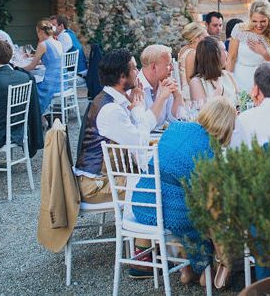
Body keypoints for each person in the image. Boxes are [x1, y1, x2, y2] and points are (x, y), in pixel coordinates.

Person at [132, 97, 237, 285]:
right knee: (205, 216)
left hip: (143, 202)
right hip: (169, 211)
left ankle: (187, 269)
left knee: (186, 202)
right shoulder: (210, 150)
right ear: (226, 126)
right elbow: (209, 200)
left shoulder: (175, 128)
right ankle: (207, 270)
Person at [75, 48, 162, 203]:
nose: (138, 71)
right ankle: (147, 225)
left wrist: (133, 104)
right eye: (134, 68)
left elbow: (138, 134)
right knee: (160, 184)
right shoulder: (111, 110)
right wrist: (138, 109)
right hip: (96, 185)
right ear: (122, 77)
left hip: (106, 177)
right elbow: (140, 143)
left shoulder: (112, 99)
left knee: (160, 174)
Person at [227, 0, 270, 92]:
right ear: (250, 18)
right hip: (239, 80)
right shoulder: (239, 29)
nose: (258, 25)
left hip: (264, 83)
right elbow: (231, 58)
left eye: (263, 21)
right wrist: (229, 84)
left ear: (269, 18)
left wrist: (265, 54)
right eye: (254, 21)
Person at [137, 45, 184, 128]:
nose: (172, 68)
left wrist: (178, 96)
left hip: (159, 139)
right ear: (153, 67)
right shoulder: (134, 87)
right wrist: (161, 98)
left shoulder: (165, 83)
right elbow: (141, 125)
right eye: (168, 64)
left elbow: (177, 120)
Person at [23, 19, 64, 114]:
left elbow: (32, 67)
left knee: (29, 89)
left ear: (40, 31)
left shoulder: (43, 44)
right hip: (61, 81)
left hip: (51, 84)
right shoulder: (58, 42)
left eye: (37, 32)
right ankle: (41, 118)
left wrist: (17, 68)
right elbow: (53, 60)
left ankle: (37, 117)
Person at [189, 36, 238, 106]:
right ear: (214, 55)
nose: (227, 53)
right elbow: (203, 112)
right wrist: (218, 91)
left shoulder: (227, 75)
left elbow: (240, 101)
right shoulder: (196, 82)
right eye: (224, 50)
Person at [177, 22, 207, 101]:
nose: (206, 39)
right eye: (204, 36)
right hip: (190, 94)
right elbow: (190, 79)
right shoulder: (192, 53)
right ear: (196, 38)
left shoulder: (184, 49)